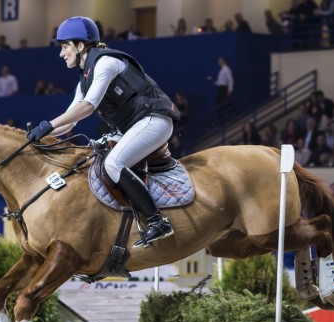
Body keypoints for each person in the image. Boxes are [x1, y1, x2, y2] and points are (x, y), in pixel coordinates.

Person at [27, 16, 180, 249]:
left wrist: (49, 123)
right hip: (133, 125)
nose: (61, 54)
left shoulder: (105, 63)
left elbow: (87, 107)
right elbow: (70, 123)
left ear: (80, 46)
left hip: (154, 119)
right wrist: (39, 136)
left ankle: (156, 221)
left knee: (113, 164)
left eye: (64, 47)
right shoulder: (84, 80)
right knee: (93, 157)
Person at [211, 56, 234, 121]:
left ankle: (234, 116)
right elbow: (219, 83)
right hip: (220, 89)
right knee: (219, 105)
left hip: (224, 89)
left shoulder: (227, 69)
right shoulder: (221, 71)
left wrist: (230, 89)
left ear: (223, 61)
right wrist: (212, 81)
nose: (218, 62)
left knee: (226, 104)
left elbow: (230, 80)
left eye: (219, 61)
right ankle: (221, 121)